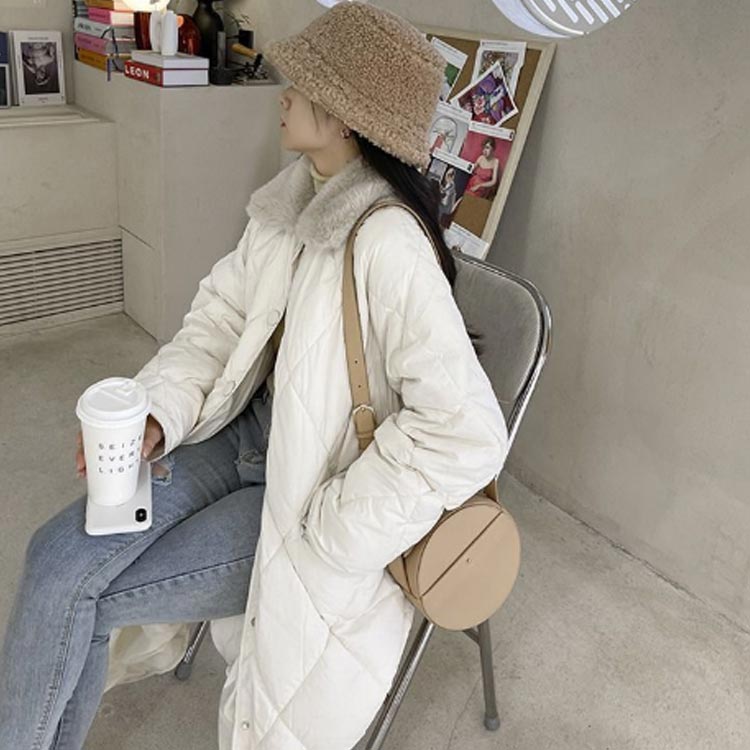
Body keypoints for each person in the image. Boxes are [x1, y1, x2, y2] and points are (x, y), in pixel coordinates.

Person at [0, 3, 509, 749]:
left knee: (91, 594)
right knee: (55, 561)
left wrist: (330, 529)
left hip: (303, 490)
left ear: (346, 118)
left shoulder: (388, 244)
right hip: (240, 439)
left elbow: (467, 434)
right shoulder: (290, 202)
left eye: (302, 84)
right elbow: (220, 320)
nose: (283, 94)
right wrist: (158, 410)